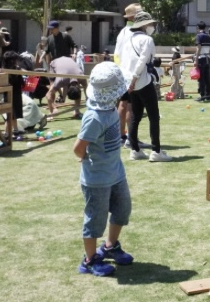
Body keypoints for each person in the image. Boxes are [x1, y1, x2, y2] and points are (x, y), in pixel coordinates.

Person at [73, 62, 134, 277]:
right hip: (97, 178)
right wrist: (85, 158)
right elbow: (78, 148)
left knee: (122, 209)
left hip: (116, 172)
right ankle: (89, 260)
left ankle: (110, 246)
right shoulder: (93, 117)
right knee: (95, 219)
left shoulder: (110, 107)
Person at [119, 11, 171, 162]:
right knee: (153, 116)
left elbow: (124, 60)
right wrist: (135, 78)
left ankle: (135, 149)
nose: (152, 26)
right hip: (141, 80)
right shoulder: (147, 39)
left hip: (130, 82)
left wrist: (130, 80)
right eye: (150, 24)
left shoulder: (129, 40)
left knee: (135, 115)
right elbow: (143, 61)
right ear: (144, 25)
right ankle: (156, 150)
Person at [114, 4, 142, 143]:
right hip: (131, 73)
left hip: (121, 71)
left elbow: (117, 54)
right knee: (131, 105)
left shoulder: (123, 31)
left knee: (123, 103)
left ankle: (121, 136)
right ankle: (131, 137)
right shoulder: (134, 32)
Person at [2, 51, 25, 135]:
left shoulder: (7, 70)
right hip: (11, 93)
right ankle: (6, 133)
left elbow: (22, 82)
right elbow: (21, 82)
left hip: (13, 93)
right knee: (10, 115)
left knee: (14, 114)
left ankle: (15, 130)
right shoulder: (8, 71)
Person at [194, 21, 210, 102]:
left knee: (201, 78)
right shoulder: (208, 36)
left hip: (201, 58)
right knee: (207, 77)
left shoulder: (199, 36)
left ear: (198, 28)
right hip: (207, 58)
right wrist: (209, 57)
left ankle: (202, 95)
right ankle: (208, 94)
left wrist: (196, 59)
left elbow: (198, 48)